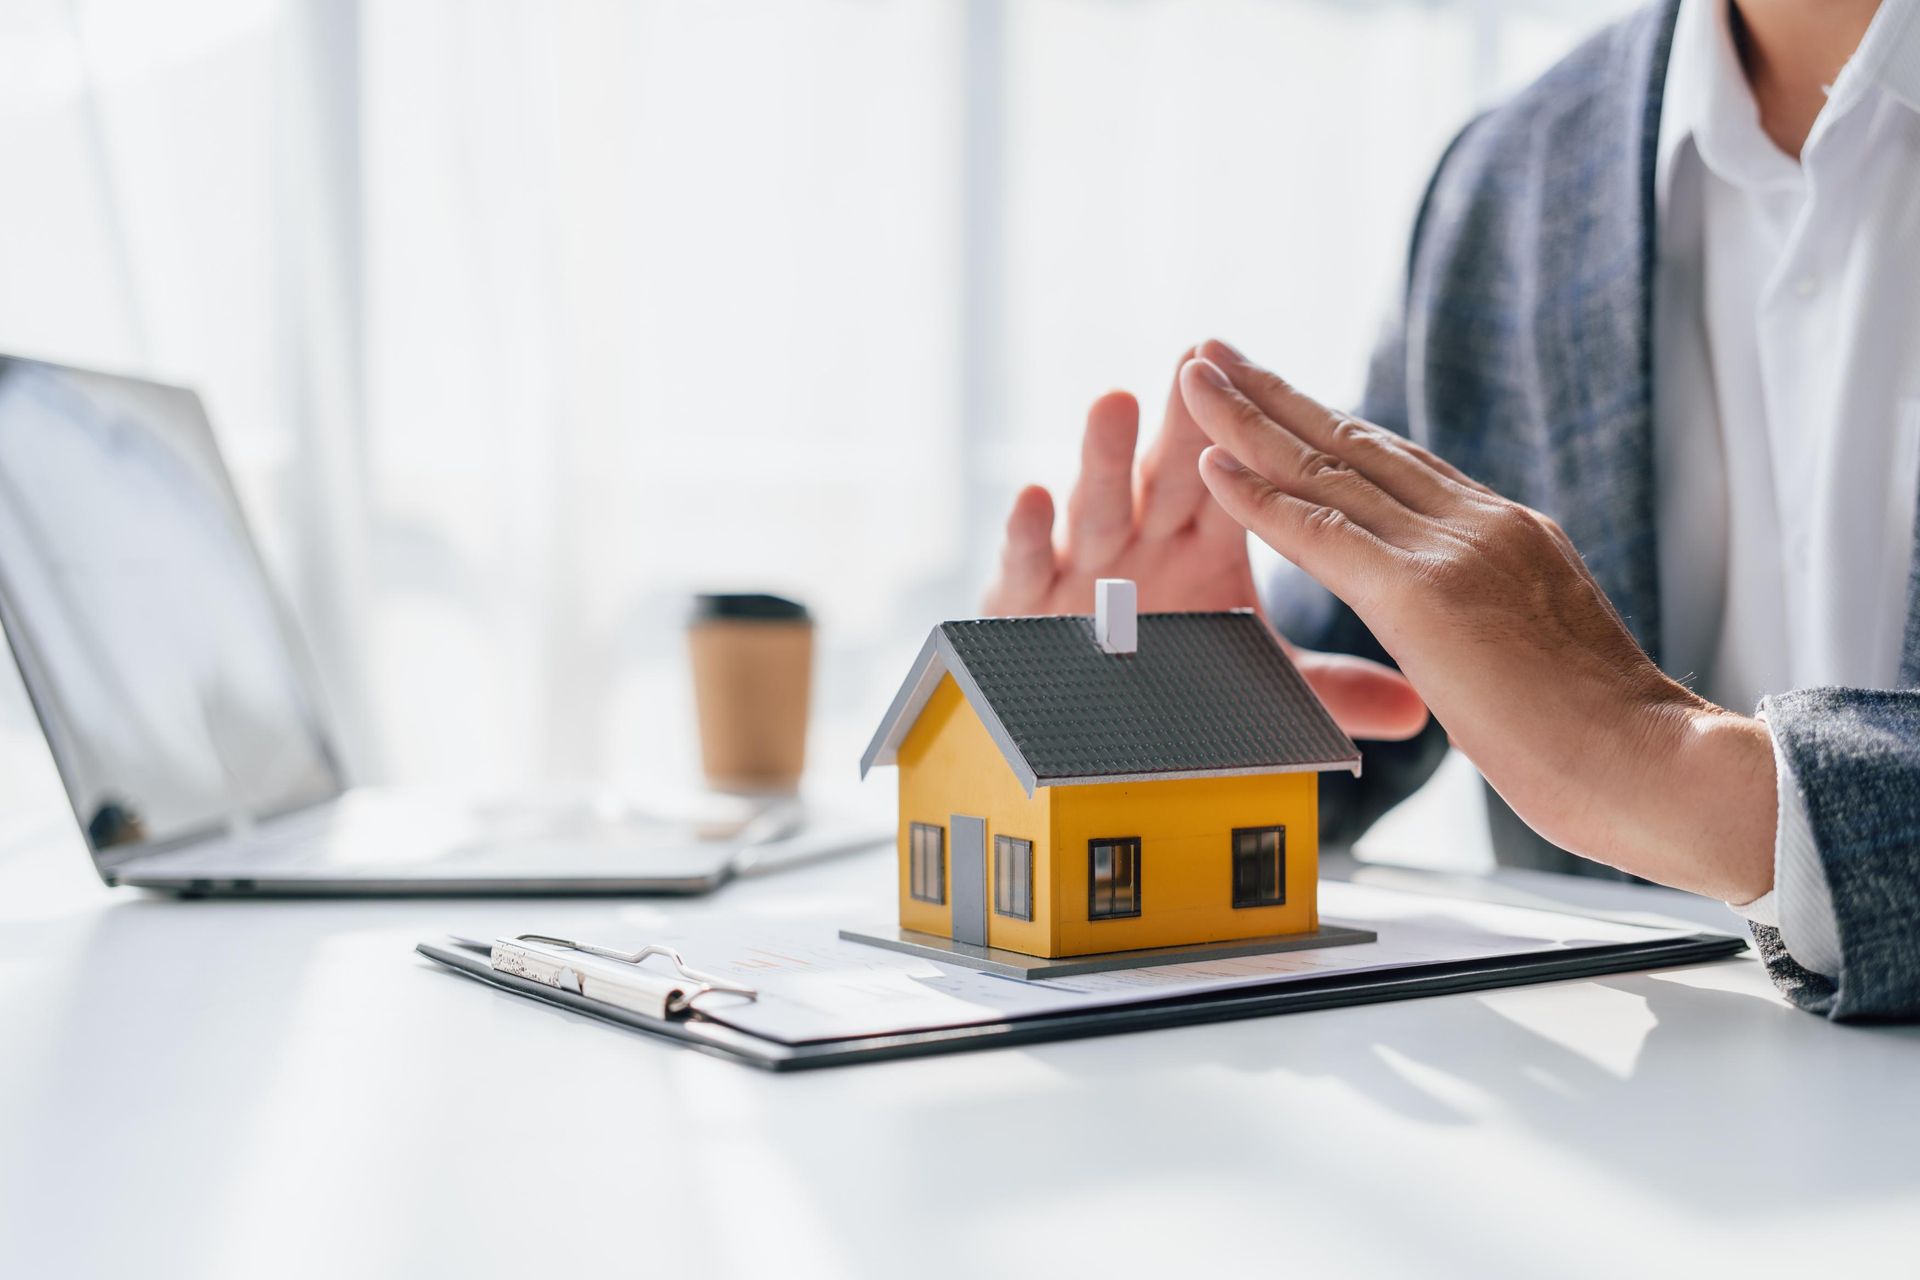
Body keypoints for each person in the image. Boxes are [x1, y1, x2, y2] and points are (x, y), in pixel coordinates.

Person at [984, 0, 1920, 1020]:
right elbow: (1372, 694)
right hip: (1625, 1139)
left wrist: (1668, 766)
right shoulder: (1507, 175)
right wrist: (1184, 723)